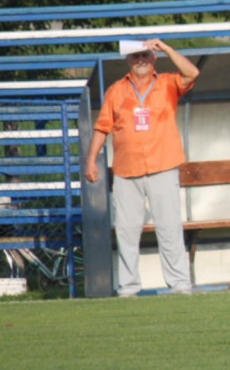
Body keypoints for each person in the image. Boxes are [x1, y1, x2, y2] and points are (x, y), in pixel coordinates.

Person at [83, 39, 199, 297]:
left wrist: (167, 48)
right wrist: (91, 160)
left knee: (169, 228)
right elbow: (102, 127)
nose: (141, 61)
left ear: (154, 58)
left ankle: (180, 285)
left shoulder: (168, 82)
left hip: (163, 165)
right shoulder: (116, 90)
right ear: (128, 60)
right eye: (135, 56)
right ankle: (128, 288)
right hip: (127, 170)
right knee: (126, 231)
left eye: (145, 55)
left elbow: (192, 73)